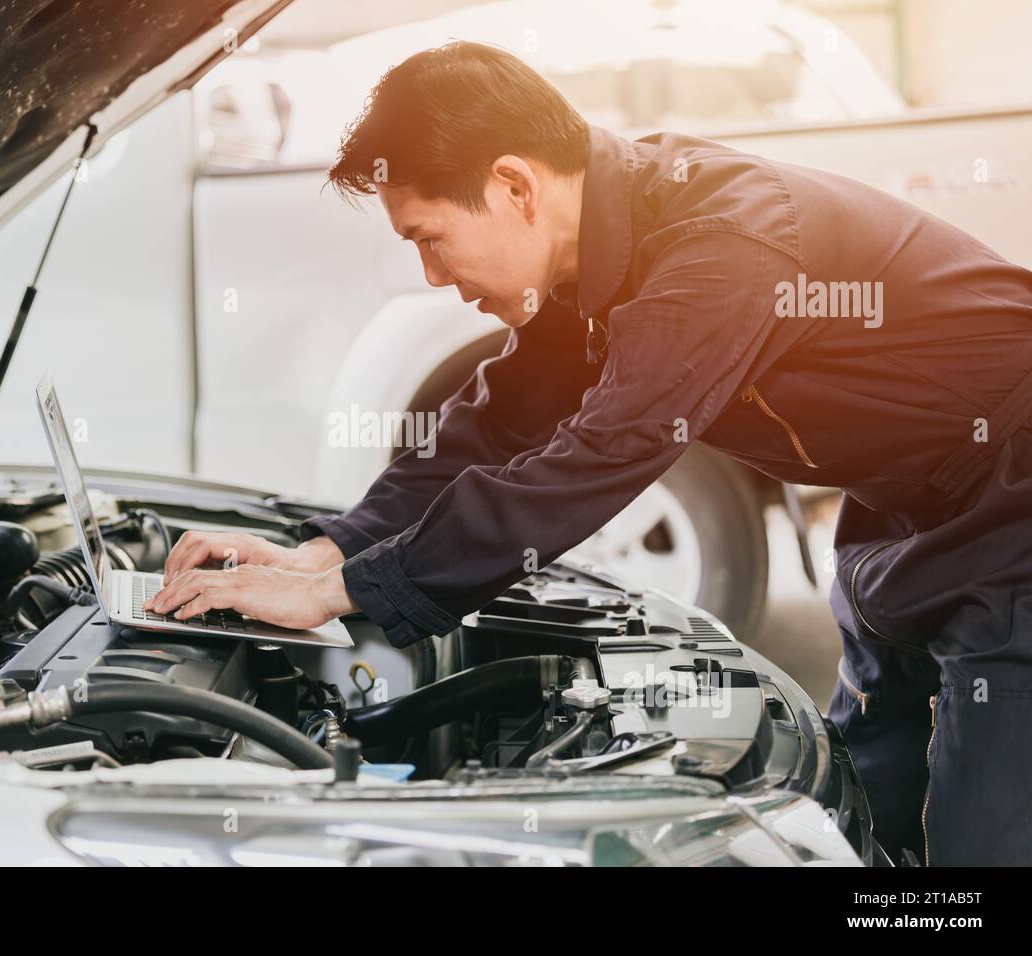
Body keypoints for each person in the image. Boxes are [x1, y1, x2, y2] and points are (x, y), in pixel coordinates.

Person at [145, 42, 1032, 865]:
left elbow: (597, 456)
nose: (433, 277)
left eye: (427, 238)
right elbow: (496, 425)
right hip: (902, 514)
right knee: (862, 810)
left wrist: (341, 596)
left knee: (982, 842)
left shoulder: (721, 244)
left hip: (1015, 510)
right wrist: (325, 550)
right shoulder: (602, 253)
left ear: (514, 187)